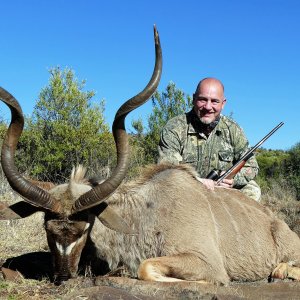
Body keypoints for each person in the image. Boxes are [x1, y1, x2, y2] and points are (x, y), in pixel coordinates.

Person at [158, 77, 261, 201]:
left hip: (222, 191)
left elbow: (252, 166)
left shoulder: (233, 129)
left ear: (223, 104)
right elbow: (167, 166)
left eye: (214, 101)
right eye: (202, 99)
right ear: (193, 98)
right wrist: (196, 181)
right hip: (186, 189)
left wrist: (232, 180)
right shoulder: (175, 127)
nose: (208, 106)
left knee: (252, 189)